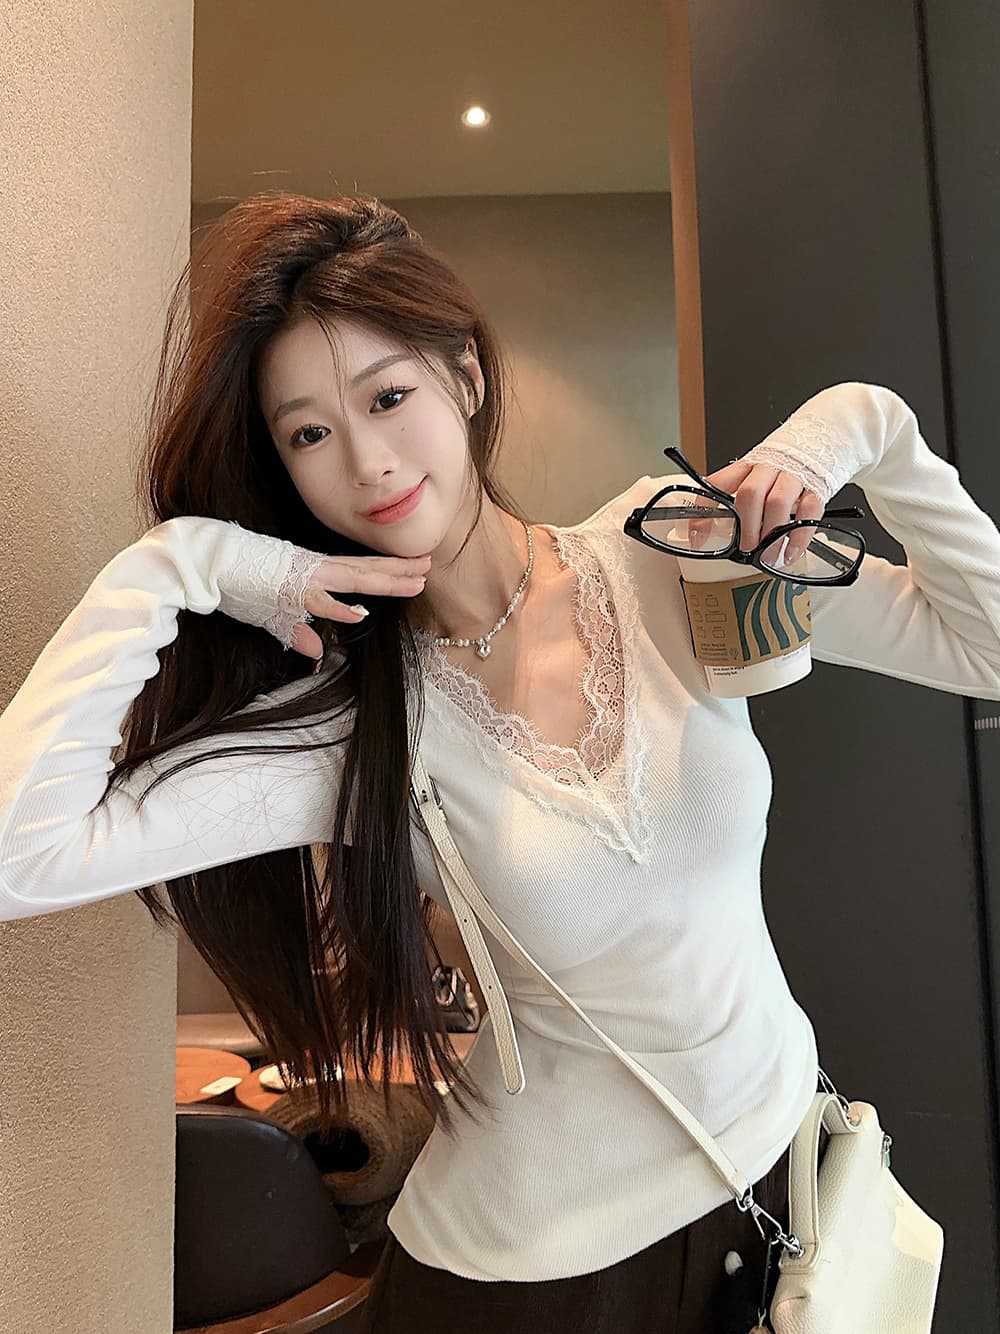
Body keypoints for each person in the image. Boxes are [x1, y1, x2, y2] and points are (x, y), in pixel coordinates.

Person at [2, 192, 999, 1334]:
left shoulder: (671, 553)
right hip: (551, 1281)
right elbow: (19, 853)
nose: (368, 461)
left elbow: (983, 642)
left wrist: (867, 427)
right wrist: (175, 565)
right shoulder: (353, 726)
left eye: (388, 397)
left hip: (781, 1185)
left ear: (466, 375)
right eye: (309, 434)